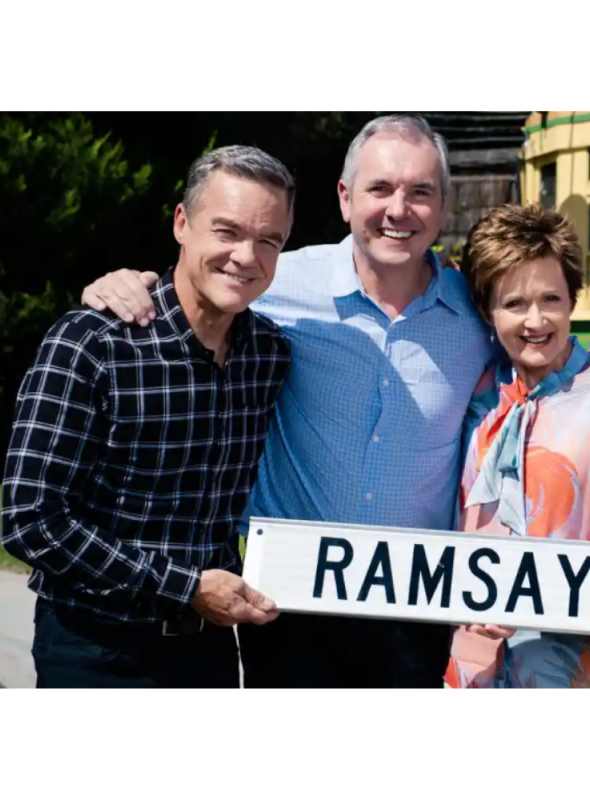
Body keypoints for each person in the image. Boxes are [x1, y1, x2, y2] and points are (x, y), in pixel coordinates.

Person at [80, 115, 498, 688]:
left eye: (420, 192)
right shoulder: (274, 282)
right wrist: (122, 284)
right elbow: (200, 278)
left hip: (415, 612)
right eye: (380, 189)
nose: (399, 209)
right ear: (346, 198)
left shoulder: (480, 316)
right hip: (288, 607)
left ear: (444, 206)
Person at [0, 145, 295, 688]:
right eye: (226, 231)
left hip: (208, 653)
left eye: (269, 240)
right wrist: (184, 587)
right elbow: (30, 520)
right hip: (94, 649)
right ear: (182, 222)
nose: (247, 256)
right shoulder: (93, 342)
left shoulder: (270, 355)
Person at [441, 204, 590, 688]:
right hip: (478, 661)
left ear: (572, 301)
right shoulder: (477, 396)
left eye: (551, 299)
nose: (535, 320)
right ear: (487, 311)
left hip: (580, 665)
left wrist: (524, 603)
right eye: (514, 304)